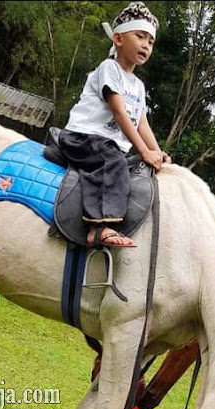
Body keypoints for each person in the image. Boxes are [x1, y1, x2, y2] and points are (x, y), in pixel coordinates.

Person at [59, 2, 171, 248]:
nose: (146, 45)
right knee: (113, 162)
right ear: (118, 38)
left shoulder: (138, 86)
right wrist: (144, 151)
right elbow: (120, 112)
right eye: (140, 36)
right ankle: (98, 227)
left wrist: (158, 152)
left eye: (151, 42)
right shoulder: (109, 69)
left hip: (107, 143)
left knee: (125, 160)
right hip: (84, 136)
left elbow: (141, 121)